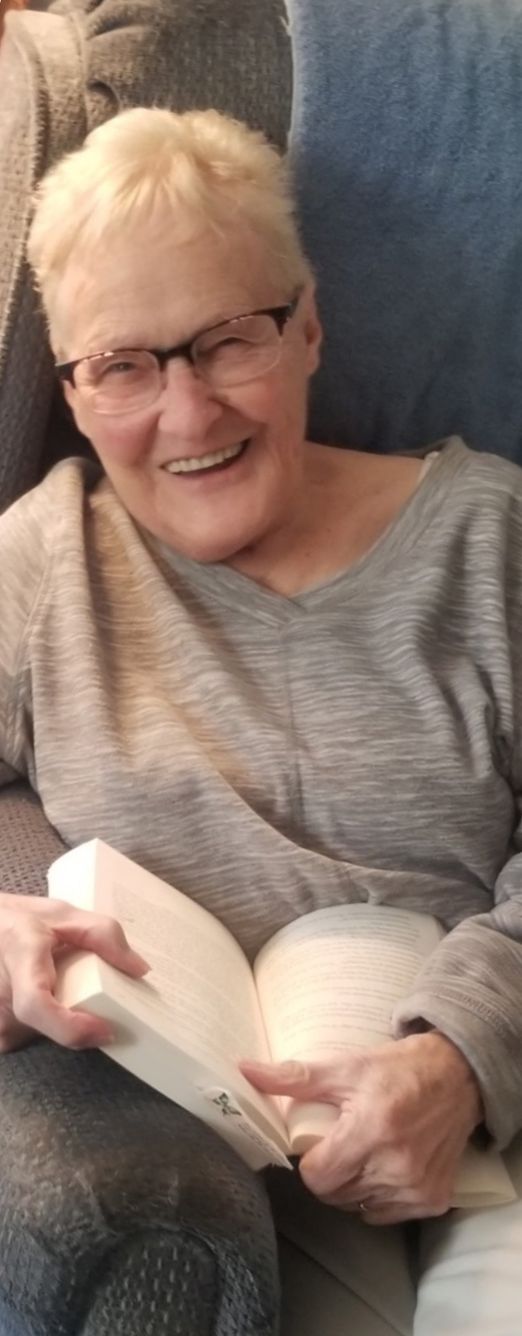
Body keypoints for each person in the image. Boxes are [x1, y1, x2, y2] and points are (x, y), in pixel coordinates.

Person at [1, 105, 522, 1335]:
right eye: (124, 366)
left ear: (309, 326)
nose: (188, 417)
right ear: (73, 389)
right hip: (237, 1168)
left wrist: (462, 1050)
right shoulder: (43, 564)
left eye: (229, 340)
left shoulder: (490, 539)